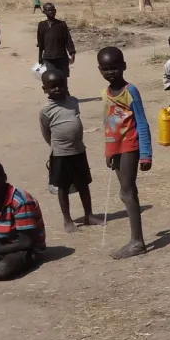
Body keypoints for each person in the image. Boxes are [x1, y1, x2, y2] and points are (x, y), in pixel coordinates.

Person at [98, 46, 152, 259]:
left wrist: (146, 153)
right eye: (105, 69)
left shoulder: (130, 91)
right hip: (115, 147)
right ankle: (136, 239)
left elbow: (142, 122)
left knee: (127, 191)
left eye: (115, 68)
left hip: (130, 145)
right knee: (125, 191)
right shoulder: (104, 93)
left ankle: (137, 241)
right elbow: (108, 123)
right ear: (100, 69)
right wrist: (108, 151)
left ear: (124, 67)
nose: (110, 72)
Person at [39, 69, 97, 231]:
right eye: (52, 86)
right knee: (62, 187)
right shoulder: (46, 111)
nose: (57, 89)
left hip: (78, 150)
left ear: (66, 85)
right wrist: (56, 146)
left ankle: (89, 215)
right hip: (60, 154)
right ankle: (68, 220)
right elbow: (46, 132)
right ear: (45, 90)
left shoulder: (73, 102)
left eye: (61, 85)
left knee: (83, 184)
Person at [36, 3, 76, 79]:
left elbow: (68, 39)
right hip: (48, 58)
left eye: (52, 10)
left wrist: (72, 52)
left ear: (55, 11)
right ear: (44, 12)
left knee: (63, 78)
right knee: (52, 78)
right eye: (48, 10)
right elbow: (40, 42)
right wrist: (40, 57)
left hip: (62, 57)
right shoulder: (42, 25)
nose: (51, 12)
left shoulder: (62, 25)